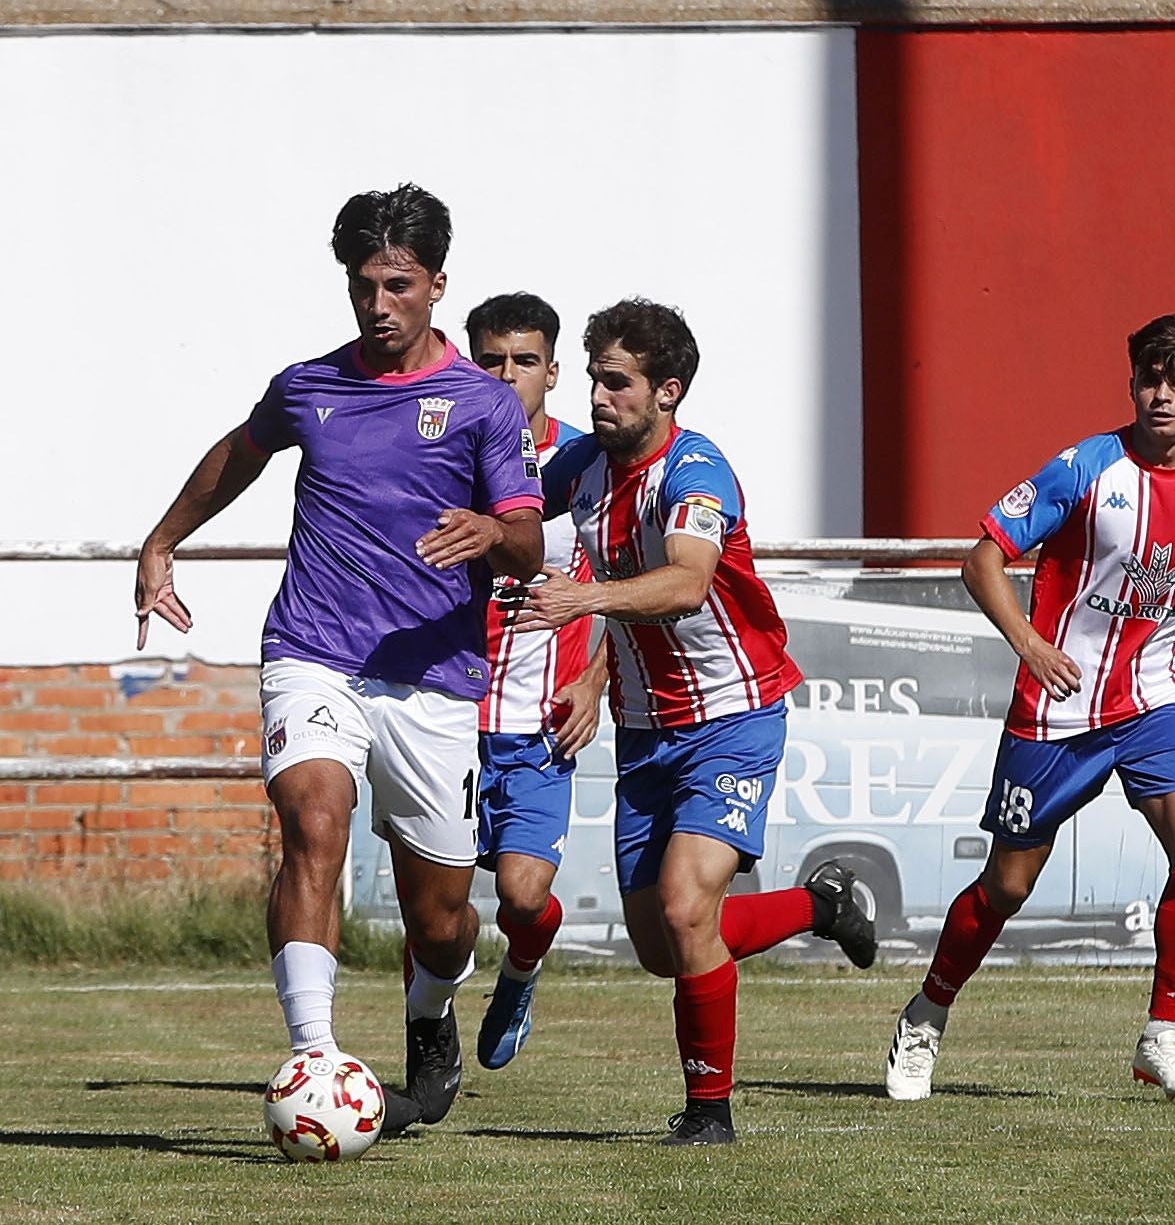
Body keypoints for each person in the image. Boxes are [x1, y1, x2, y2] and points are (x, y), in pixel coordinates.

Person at [134, 184, 543, 1136]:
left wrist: (490, 529)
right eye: (364, 285)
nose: (378, 304)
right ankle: (313, 1055)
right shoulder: (308, 386)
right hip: (314, 651)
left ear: (437, 285)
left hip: (435, 677)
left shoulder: (482, 406)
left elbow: (526, 542)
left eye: (398, 284)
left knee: (439, 916)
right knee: (313, 819)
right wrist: (161, 543)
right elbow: (241, 451)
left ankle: (430, 1012)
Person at [884, 312, 1175, 1104]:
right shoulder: (1084, 471)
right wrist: (1030, 644)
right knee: (1007, 886)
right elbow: (983, 561)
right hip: (1058, 709)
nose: (1161, 395)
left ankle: (1161, 1036)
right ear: (1131, 381)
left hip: (1154, 703)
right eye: (1150, 378)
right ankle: (926, 1014)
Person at [515, 298, 878, 1146]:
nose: (600, 397)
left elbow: (684, 586)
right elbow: (517, 508)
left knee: (685, 911)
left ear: (667, 391)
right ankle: (820, 909)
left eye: (619, 383)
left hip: (733, 718)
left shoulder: (698, 474)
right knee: (661, 943)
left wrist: (583, 599)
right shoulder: (584, 467)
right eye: (595, 377)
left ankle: (709, 1113)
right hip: (645, 730)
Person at [462, 292, 608, 1070]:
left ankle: (520, 972)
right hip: (448, 717)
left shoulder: (584, 465)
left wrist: (593, 681)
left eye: (524, 361)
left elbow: (635, 585)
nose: (507, 375)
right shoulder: (447, 452)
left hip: (540, 724)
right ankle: (431, 1032)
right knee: (439, 911)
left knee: (521, 898)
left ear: (552, 371)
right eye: (491, 360)